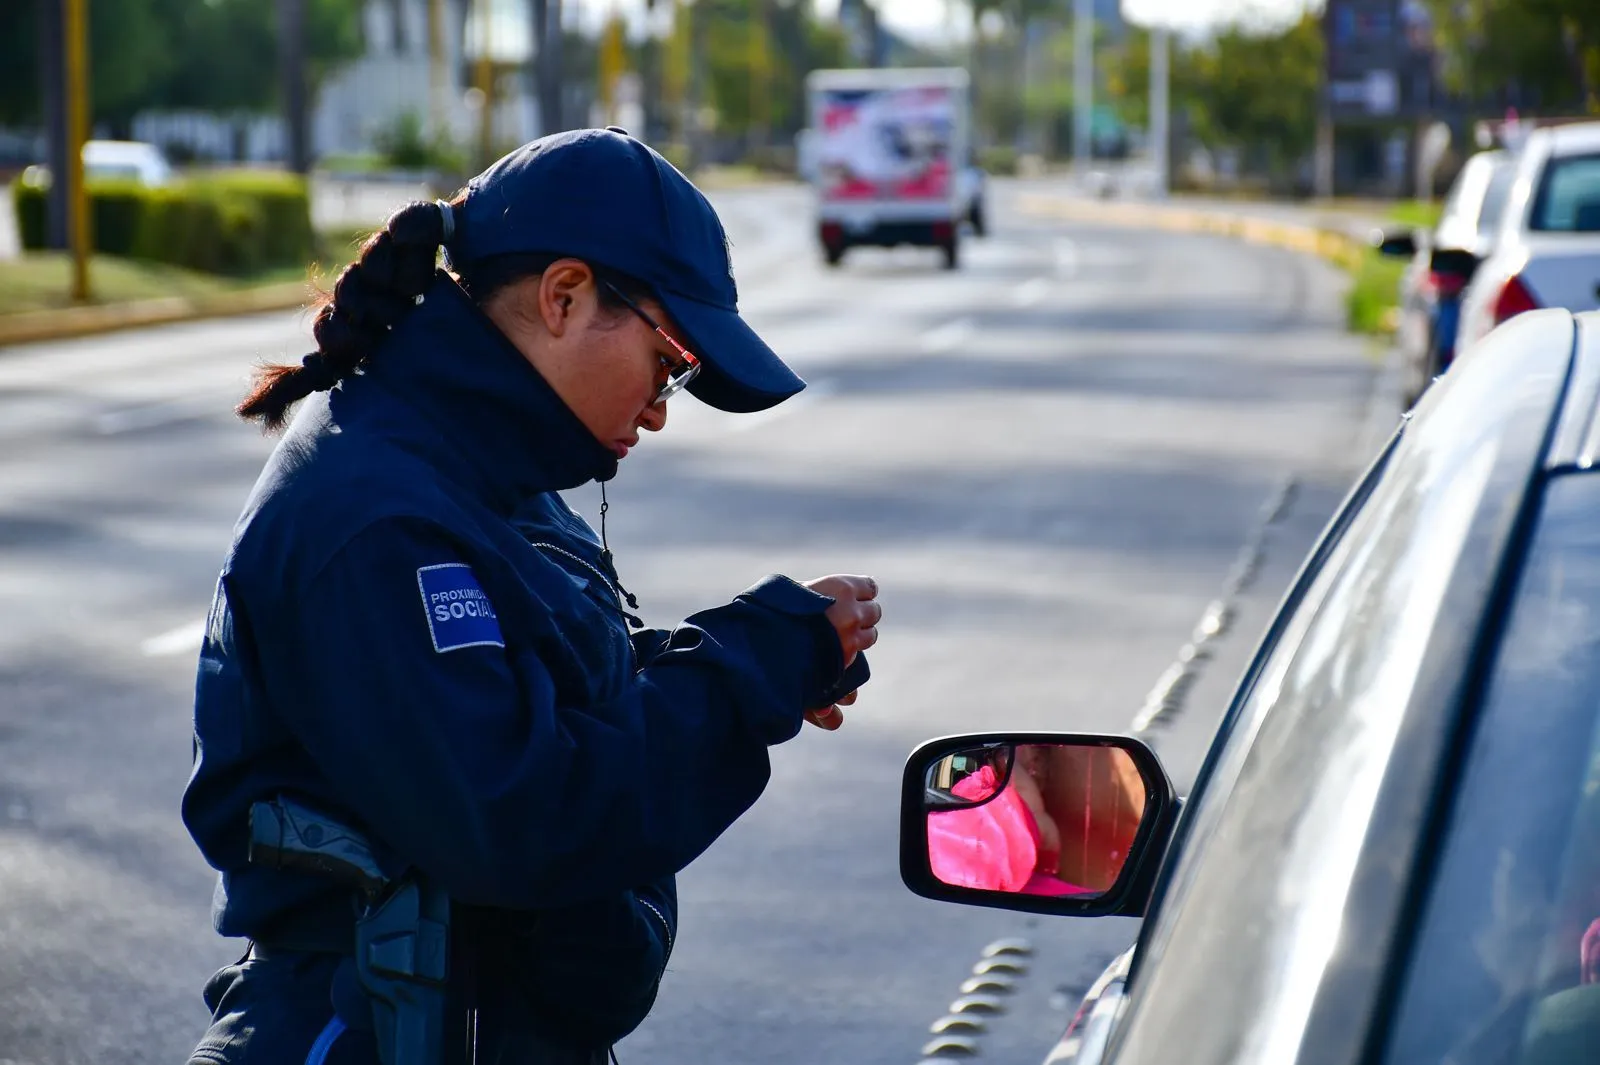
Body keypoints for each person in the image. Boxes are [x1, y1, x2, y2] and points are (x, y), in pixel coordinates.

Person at [180, 127, 882, 1065]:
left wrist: (760, 657)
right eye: (670, 362)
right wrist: (742, 675)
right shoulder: (379, 516)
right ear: (564, 296)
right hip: (374, 1034)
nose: (660, 408)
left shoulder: (477, 458)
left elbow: (536, 691)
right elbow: (523, 815)